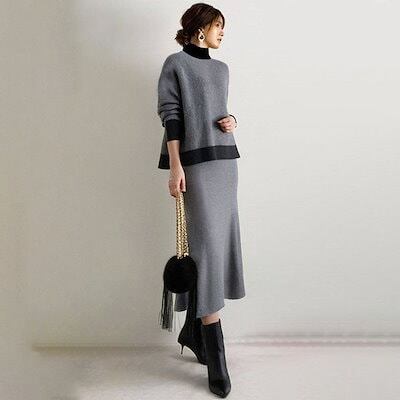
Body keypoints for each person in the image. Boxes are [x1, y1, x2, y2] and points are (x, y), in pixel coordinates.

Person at [156, 3, 246, 397]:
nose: (221, 32)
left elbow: (216, 111)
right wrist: (175, 167)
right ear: (199, 28)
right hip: (193, 166)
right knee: (205, 251)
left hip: (225, 163)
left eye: (223, 26)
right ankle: (216, 352)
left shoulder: (222, 69)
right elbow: (172, 116)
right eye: (217, 25)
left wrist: (232, 120)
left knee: (217, 247)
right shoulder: (175, 64)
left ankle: (193, 331)